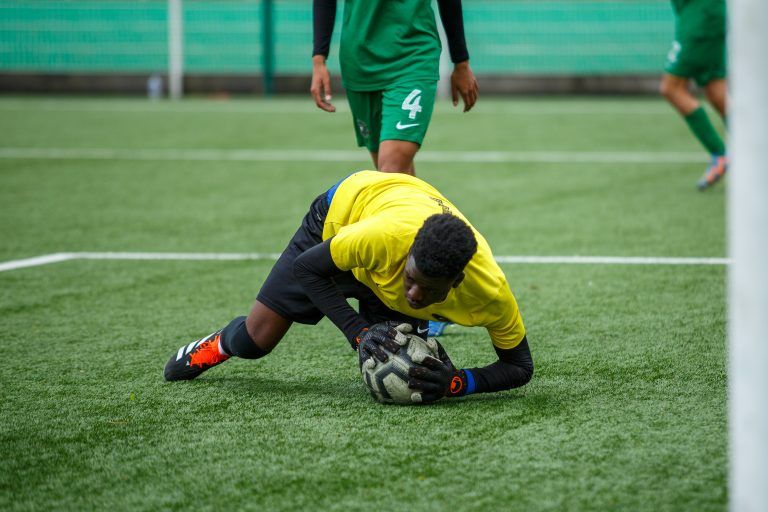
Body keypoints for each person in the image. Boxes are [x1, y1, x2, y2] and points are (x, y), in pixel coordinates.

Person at [164, 171, 533, 403]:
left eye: (429, 291)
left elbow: (519, 366)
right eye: (411, 279)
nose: (414, 295)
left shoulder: (490, 293)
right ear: (407, 256)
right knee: (256, 341)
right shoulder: (382, 238)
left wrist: (459, 382)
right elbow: (307, 268)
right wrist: (359, 333)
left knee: (409, 366)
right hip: (341, 215)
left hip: (389, 233)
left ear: (457, 282)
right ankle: (218, 344)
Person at [310, 0, 478, 177]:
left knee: (391, 169)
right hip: (359, 62)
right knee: (397, 178)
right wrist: (318, 59)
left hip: (413, 56)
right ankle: (414, 205)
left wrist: (461, 61)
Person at [659, 0, 728, 190]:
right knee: (715, 88)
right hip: (705, 14)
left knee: (671, 88)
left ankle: (720, 154)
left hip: (701, 18)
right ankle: (756, 152)